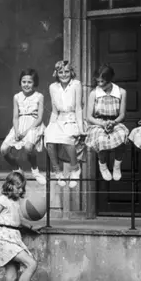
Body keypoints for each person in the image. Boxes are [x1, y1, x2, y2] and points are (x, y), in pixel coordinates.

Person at [44, 60, 86, 188]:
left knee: (67, 138)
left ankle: (75, 169)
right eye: (60, 72)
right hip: (59, 119)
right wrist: (50, 126)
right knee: (49, 139)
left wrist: (81, 128)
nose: (64, 75)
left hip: (73, 118)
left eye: (66, 71)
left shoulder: (76, 84)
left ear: (71, 72)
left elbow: (78, 108)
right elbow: (54, 111)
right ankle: (58, 172)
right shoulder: (52, 87)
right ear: (56, 73)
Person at [0, 69, 46, 185]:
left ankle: (35, 170)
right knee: (4, 149)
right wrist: (17, 131)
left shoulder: (39, 96)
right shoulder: (17, 97)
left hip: (34, 125)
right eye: (23, 82)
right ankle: (17, 169)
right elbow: (15, 117)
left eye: (29, 82)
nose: (26, 84)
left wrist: (26, 132)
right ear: (20, 82)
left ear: (34, 83)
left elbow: (39, 118)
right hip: (19, 125)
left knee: (28, 147)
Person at [85, 64, 129, 181]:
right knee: (101, 139)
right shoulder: (94, 93)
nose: (100, 84)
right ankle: (103, 166)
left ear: (110, 79)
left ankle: (117, 166)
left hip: (115, 121)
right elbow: (89, 117)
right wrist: (102, 124)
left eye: (103, 81)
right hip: (98, 123)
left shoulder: (121, 92)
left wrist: (113, 122)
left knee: (122, 135)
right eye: (98, 81)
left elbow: (122, 115)